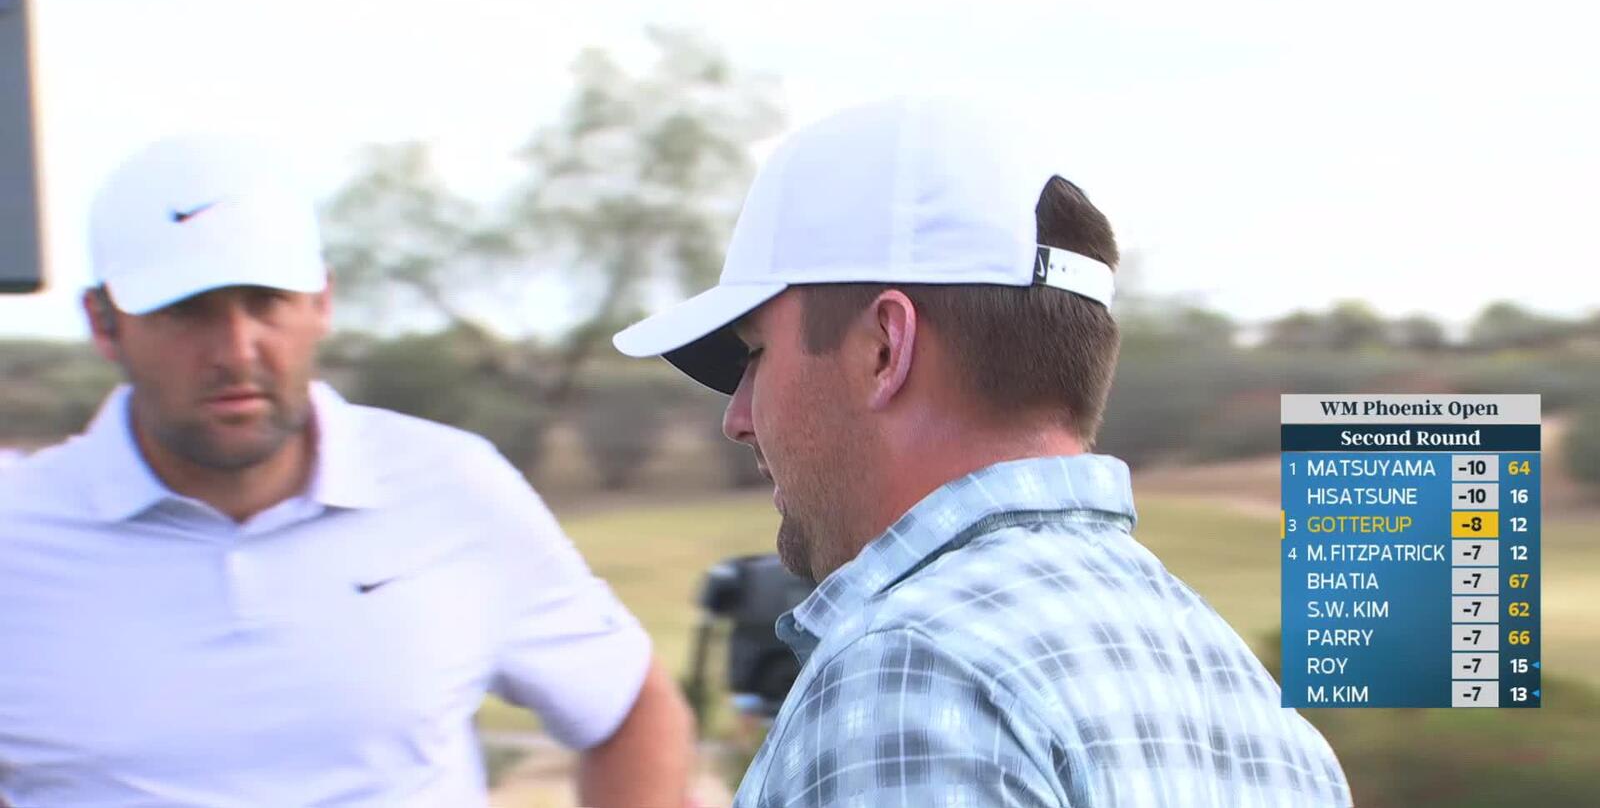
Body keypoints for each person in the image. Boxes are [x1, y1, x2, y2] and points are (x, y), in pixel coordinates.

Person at [615, 98, 1353, 806]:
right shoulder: (1254, 708)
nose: (738, 419)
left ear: (883, 348)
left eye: (756, 354)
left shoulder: (914, 673)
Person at [0, 135, 694, 807]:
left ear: (322, 301)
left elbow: (629, 707)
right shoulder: (17, 532)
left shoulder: (452, 487)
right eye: (188, 313)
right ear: (103, 321)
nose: (237, 350)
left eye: (265, 301)